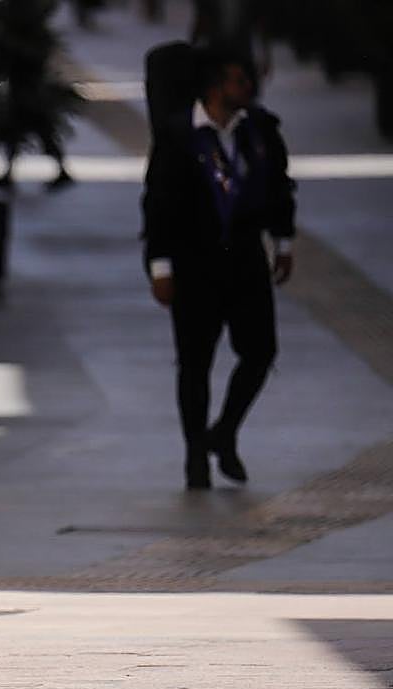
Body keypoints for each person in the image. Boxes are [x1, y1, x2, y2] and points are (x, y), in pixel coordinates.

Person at [142, 45, 295, 490]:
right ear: (214, 86)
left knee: (260, 351)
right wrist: (160, 267)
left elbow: (280, 187)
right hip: (194, 265)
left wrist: (283, 241)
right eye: (237, 80)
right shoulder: (179, 136)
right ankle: (195, 455)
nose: (247, 88)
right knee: (194, 363)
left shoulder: (260, 130)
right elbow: (158, 204)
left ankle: (224, 430)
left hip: (246, 259)